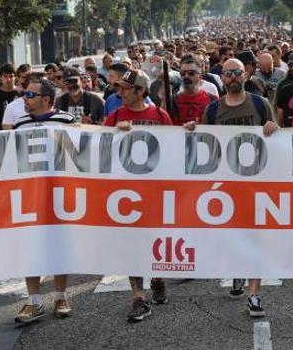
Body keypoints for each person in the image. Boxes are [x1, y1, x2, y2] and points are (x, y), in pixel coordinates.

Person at [188, 57, 278, 318]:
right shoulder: (214, 110)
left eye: (237, 73)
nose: (233, 78)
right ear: (222, 78)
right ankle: (238, 272)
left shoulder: (260, 105)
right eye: (227, 74)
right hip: (226, 186)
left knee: (256, 237)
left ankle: (254, 295)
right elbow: (205, 147)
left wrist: (273, 127)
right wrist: (191, 130)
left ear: (245, 74)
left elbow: (275, 139)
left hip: (256, 184)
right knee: (232, 237)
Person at [103, 70, 172, 322]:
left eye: (124, 88)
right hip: (126, 195)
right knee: (131, 244)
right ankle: (139, 297)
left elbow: (173, 149)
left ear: (140, 90)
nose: (119, 92)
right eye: (118, 88)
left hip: (155, 193)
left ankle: (158, 277)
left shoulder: (160, 116)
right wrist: (113, 134)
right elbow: (99, 150)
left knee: (156, 239)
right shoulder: (116, 116)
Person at [12, 77, 77, 323]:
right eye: (25, 94)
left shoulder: (67, 121)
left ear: (45, 99)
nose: (24, 99)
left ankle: (61, 296)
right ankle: (34, 301)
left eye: (29, 95)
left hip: (59, 194)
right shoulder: (20, 124)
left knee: (59, 244)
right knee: (30, 245)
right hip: (29, 195)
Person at [173, 56, 218, 125]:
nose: (186, 76)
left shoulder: (212, 100)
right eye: (183, 73)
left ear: (200, 76)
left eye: (191, 73)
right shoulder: (174, 100)